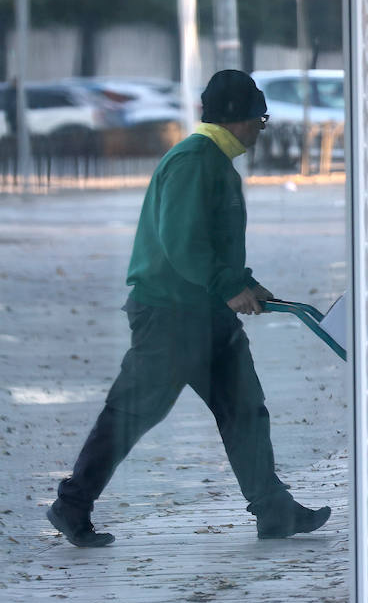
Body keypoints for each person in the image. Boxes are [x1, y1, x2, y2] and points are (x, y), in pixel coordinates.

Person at [46, 69, 330, 547]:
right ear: (237, 118)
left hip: (205, 313)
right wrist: (225, 285)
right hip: (170, 315)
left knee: (244, 408)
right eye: (260, 117)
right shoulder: (194, 160)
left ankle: (274, 510)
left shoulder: (214, 160)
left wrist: (245, 284)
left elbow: (211, 242)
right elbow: (182, 242)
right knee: (132, 412)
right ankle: (72, 505)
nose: (263, 127)